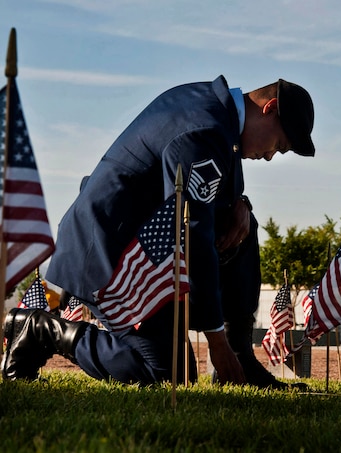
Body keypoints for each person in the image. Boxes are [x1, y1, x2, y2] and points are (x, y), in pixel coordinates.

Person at [1, 75, 315, 387]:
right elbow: (193, 234)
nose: (272, 155)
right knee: (167, 373)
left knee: (241, 223)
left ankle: (240, 358)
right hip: (110, 250)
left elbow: (209, 201)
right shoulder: (206, 129)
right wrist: (215, 340)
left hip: (148, 246)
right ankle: (41, 330)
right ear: (269, 108)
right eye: (279, 144)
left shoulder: (219, 116)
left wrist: (241, 205)